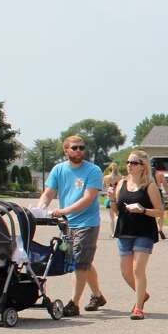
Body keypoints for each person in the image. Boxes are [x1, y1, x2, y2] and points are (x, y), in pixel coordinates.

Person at [36, 135, 107, 316]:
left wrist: (63, 211)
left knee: (80, 263)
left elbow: (88, 198)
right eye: (74, 148)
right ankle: (97, 296)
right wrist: (39, 211)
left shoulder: (93, 170)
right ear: (66, 150)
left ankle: (74, 303)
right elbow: (48, 193)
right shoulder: (58, 170)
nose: (79, 151)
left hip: (87, 223)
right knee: (83, 260)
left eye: (82, 148)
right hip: (67, 224)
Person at [114, 150, 163, 319]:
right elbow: (116, 210)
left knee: (137, 269)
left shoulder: (149, 185)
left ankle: (139, 308)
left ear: (143, 167)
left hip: (144, 231)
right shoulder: (121, 184)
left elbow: (159, 212)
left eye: (134, 163)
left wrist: (142, 210)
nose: (129, 165)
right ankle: (142, 294)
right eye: (128, 162)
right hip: (124, 230)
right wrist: (112, 200)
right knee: (125, 272)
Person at [102, 162, 121, 233]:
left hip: (109, 199)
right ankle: (117, 231)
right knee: (117, 215)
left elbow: (103, 187)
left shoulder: (106, 177)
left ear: (110, 169)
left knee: (111, 218)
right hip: (118, 198)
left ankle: (113, 233)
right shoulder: (120, 177)